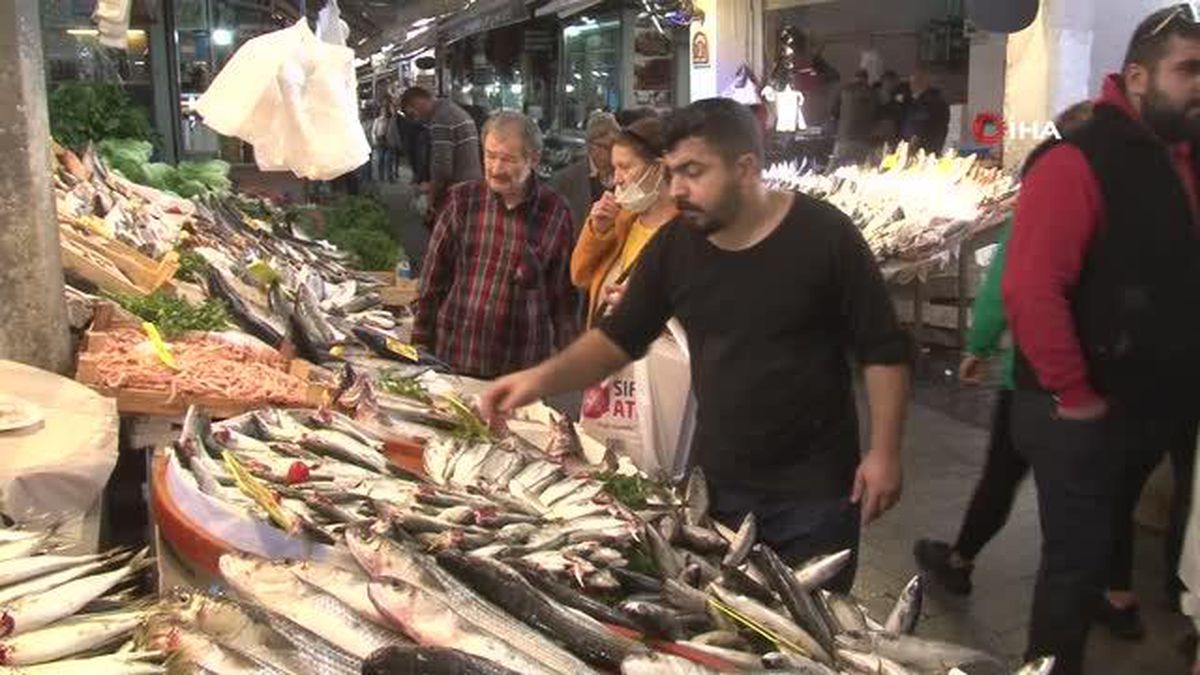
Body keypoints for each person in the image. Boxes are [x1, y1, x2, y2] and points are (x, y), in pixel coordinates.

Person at [481, 99, 912, 591]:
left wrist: (885, 452)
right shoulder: (677, 246)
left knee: (811, 626)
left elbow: (883, 350)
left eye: (693, 171)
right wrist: (535, 381)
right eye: (671, 172)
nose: (677, 189)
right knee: (730, 615)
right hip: (718, 486)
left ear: (745, 169)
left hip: (816, 493)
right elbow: (618, 340)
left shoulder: (825, 235)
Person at [1002, 7, 1200, 672]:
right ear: (1137, 77)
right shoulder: (1077, 160)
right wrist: (1076, 394)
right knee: (1074, 565)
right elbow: (1032, 290)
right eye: (1189, 70)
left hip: (1151, 400)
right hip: (1075, 406)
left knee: (1105, 543)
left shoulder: (1181, 155)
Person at [912, 99, 1097, 598]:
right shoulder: (1133, 194)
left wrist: (979, 344)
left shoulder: (1052, 191)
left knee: (1004, 472)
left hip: (1037, 375)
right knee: (1091, 492)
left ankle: (962, 560)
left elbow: (1008, 284)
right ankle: (1115, 593)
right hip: (1102, 380)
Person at [414, 111, 579, 379]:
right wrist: (420, 345)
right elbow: (433, 279)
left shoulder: (555, 212)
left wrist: (569, 362)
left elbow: (563, 297)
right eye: (490, 156)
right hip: (456, 357)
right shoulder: (461, 201)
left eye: (508, 159)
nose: (496, 168)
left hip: (521, 369)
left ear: (534, 160)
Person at [571, 115, 676, 326]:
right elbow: (580, 276)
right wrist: (598, 231)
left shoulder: (688, 231)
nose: (617, 178)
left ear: (659, 168)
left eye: (625, 167)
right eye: (615, 168)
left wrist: (644, 306)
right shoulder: (621, 220)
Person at [401, 86, 484, 215]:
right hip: (471, 185)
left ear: (418, 102)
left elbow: (442, 168)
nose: (417, 119)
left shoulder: (441, 119)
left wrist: (431, 197)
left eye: (413, 114)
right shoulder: (451, 110)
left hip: (459, 191)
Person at [551, 111, 620, 241]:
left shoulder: (623, 175)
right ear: (590, 146)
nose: (611, 152)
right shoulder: (565, 180)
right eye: (605, 146)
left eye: (614, 146)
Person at [830, 69, 878, 168]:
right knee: (861, 169)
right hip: (863, 139)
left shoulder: (844, 90)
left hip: (844, 138)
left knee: (837, 168)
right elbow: (875, 114)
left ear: (854, 78)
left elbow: (834, 112)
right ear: (867, 79)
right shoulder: (872, 93)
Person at [902, 66, 950, 154]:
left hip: (926, 148)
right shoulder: (911, 101)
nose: (912, 85)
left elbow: (936, 127)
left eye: (916, 81)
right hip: (910, 146)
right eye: (911, 82)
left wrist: (919, 140)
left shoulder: (934, 102)